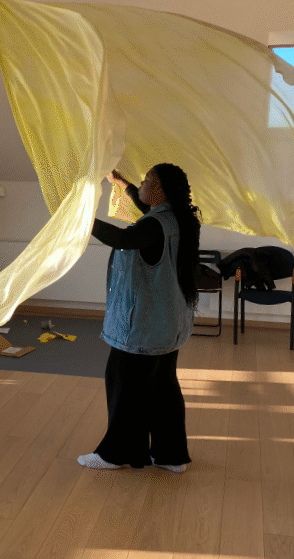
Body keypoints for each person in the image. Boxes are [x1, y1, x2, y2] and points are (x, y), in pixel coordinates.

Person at [78, 164, 200, 472]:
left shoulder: (155, 226)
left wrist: (80, 220)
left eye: (147, 181)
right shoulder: (179, 218)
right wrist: (124, 184)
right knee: (162, 390)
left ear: (159, 190)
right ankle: (170, 455)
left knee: (126, 389)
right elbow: (146, 209)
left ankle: (115, 454)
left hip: (143, 327)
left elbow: (123, 238)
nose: (142, 184)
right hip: (167, 325)